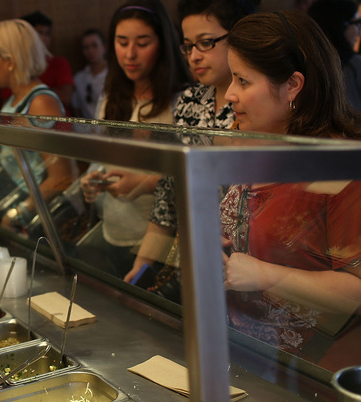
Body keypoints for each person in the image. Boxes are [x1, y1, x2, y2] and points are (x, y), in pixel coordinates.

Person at [221, 10, 361, 368]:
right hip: (239, 349)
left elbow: (357, 290)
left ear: (293, 85)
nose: (229, 95)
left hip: (309, 370)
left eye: (242, 81)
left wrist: (266, 275)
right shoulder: (252, 143)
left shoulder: (341, 167)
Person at [122, 0, 260, 298]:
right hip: (194, 255)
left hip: (249, 266)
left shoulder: (259, 104)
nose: (195, 56)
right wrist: (145, 260)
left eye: (206, 43)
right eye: (188, 46)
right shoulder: (190, 100)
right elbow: (172, 187)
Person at [79, 0, 190, 277]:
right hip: (113, 229)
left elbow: (194, 174)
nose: (130, 54)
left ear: (163, 44)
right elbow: (101, 158)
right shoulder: (110, 98)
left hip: (164, 241)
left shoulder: (184, 101)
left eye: (142, 43)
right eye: (121, 41)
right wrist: (92, 179)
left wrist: (145, 183)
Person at [0, 19, 76, 231]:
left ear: (10, 60)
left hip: (42, 222)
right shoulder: (14, 100)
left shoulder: (41, 102)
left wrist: (20, 212)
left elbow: (62, 177)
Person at [0, 11, 75, 114]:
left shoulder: (59, 63)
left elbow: (66, 97)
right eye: (39, 33)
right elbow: (7, 107)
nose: (44, 38)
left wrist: (29, 90)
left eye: (47, 33)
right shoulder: (14, 65)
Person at [307, 0, 361, 111]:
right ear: (341, 26)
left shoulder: (299, 63)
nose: (359, 31)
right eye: (355, 23)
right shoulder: (355, 66)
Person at [70, 29, 107, 119]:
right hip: (87, 130)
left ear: (104, 47)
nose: (90, 51)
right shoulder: (79, 78)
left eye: (95, 45)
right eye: (86, 47)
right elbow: (77, 108)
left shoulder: (113, 75)